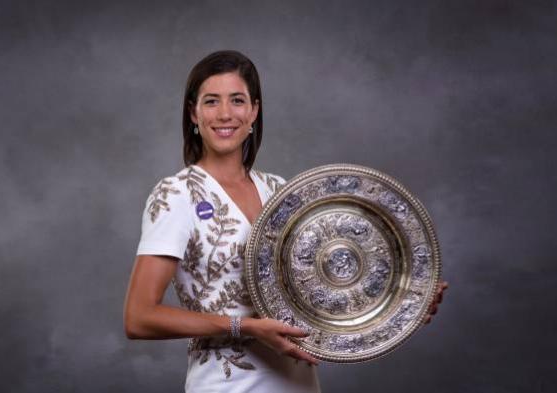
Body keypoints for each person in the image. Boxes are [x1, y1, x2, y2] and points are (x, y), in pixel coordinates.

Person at [123, 50, 447, 393]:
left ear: (254, 112)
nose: (225, 114)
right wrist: (245, 326)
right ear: (193, 113)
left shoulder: (282, 192)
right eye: (211, 101)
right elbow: (140, 317)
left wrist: (405, 303)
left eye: (237, 100)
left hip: (299, 384)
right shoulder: (178, 194)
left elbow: (323, 289)